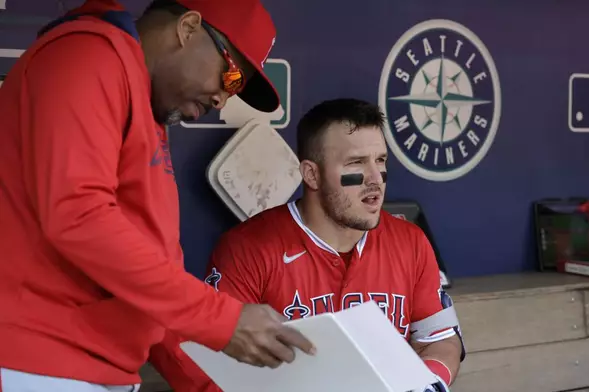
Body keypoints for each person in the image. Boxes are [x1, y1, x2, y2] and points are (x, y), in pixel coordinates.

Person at [0, 0, 315, 390]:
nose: (222, 99)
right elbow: (78, 215)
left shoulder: (146, 109)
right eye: (231, 77)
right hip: (33, 363)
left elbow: (153, 287)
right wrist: (222, 319)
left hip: (95, 369)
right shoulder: (89, 54)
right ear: (188, 27)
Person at [159, 98, 466, 391]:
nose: (376, 178)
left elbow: (438, 338)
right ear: (311, 174)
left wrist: (428, 385)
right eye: (356, 163)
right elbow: (208, 361)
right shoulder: (248, 249)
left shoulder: (410, 242)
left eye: (381, 160)